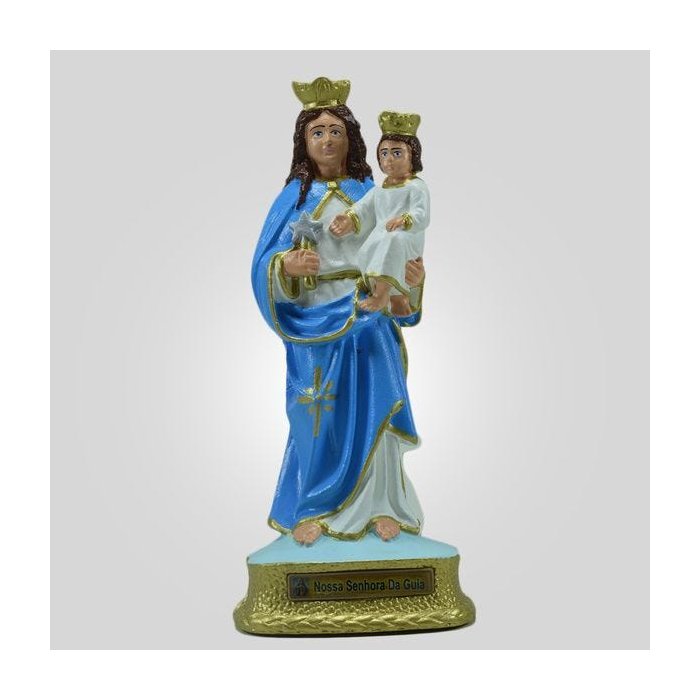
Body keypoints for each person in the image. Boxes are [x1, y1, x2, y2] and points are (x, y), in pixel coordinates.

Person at [251, 77, 426, 545]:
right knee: (316, 417)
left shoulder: (373, 191)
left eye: (336, 131)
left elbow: (401, 245)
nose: (327, 140)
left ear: (352, 138)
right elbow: (262, 262)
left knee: (375, 410)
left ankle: (382, 506)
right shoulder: (293, 199)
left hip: (368, 315)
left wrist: (412, 280)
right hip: (314, 321)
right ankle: (314, 506)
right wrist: (286, 266)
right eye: (317, 132)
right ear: (303, 142)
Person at [330, 111, 429, 317]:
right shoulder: (380, 189)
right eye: (384, 154)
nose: (389, 159)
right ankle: (396, 297)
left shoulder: (416, 187)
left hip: (407, 236)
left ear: (413, 156)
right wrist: (349, 218)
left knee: (393, 242)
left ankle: (381, 294)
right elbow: (364, 207)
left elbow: (422, 214)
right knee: (368, 250)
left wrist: (405, 220)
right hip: (383, 233)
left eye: (397, 153)